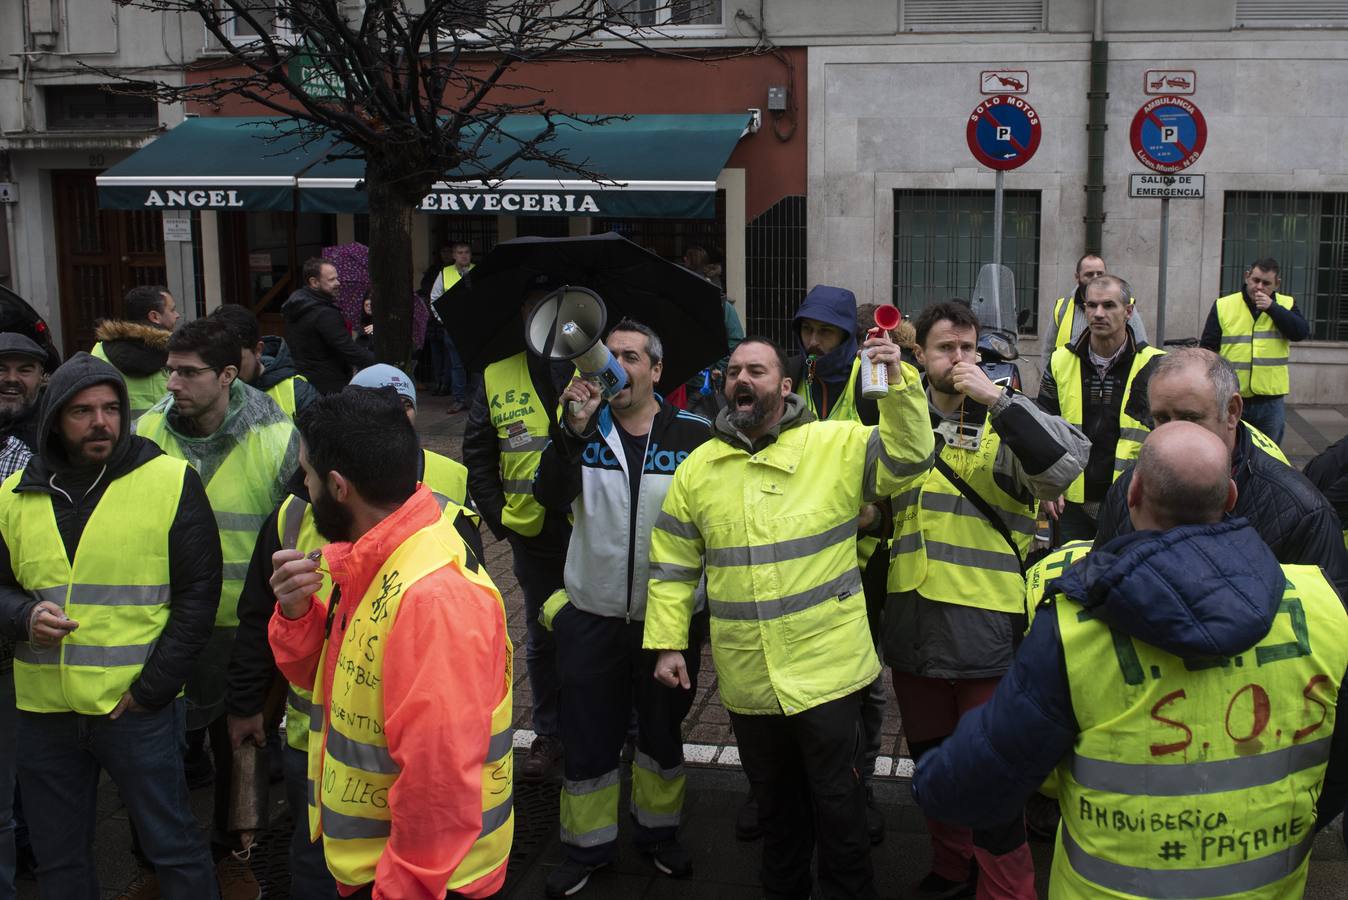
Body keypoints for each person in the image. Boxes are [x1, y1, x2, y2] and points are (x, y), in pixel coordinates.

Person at [912, 421, 1348, 899]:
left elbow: (989, 771)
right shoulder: (1321, 605)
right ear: (1230, 497)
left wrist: (929, 785)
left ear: (1133, 492)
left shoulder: (1074, 628)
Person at [644, 333, 935, 900]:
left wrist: (899, 385)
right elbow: (673, 564)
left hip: (828, 673)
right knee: (776, 813)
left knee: (839, 808)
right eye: (732, 371)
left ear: (784, 385)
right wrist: (668, 643)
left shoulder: (837, 444)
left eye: (756, 370)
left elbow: (909, 456)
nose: (741, 379)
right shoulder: (700, 467)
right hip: (750, 678)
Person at [228, 369, 482, 900]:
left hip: (402, 877)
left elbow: (438, 789)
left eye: (308, 475)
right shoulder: (367, 556)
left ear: (339, 486)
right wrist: (297, 615)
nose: (303, 487)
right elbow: (329, 680)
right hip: (358, 846)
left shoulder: (431, 595)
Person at [886, 300, 1089, 900]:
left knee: (991, 779)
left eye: (968, 348)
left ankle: (1007, 891)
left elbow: (1064, 471)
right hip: (912, 624)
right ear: (918, 353)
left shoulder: (1008, 417)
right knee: (932, 763)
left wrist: (1000, 401)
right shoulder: (899, 418)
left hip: (986, 628)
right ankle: (951, 868)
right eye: (946, 347)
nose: (959, 359)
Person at [0, 352, 221, 899]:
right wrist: (22, 615)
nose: (101, 422)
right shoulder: (12, 497)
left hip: (136, 708)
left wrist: (152, 692)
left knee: (173, 847)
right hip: (43, 711)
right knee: (60, 863)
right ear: (54, 419)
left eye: (110, 409)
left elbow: (199, 597)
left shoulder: (169, 481)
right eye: (82, 412)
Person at [531, 320, 711, 896]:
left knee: (662, 732)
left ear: (656, 371)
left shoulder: (694, 434)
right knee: (589, 736)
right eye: (610, 356)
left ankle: (659, 835)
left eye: (631, 356)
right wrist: (571, 431)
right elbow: (547, 497)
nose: (618, 367)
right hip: (594, 615)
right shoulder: (583, 428)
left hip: (669, 621)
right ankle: (587, 848)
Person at [134, 318, 298, 899]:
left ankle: (235, 854)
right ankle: (157, 863)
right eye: (169, 370)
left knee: (241, 749)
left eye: (188, 372)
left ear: (228, 376)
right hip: (160, 622)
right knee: (157, 751)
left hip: (239, 626)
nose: (172, 383)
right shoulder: (146, 430)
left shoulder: (279, 438)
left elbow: (291, 534)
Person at [1094, 347, 1348, 599]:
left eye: (1189, 418)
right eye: (1161, 419)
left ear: (1232, 412)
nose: (1173, 433)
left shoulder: (1302, 513)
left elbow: (1328, 618)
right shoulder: (1129, 487)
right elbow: (1099, 581)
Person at [463, 280, 574, 783]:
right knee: (543, 634)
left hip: (593, 530)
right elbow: (478, 453)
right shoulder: (496, 373)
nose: (546, 318)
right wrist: (498, 518)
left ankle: (615, 726)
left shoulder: (594, 367)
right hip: (532, 533)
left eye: (556, 309)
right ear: (526, 312)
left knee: (606, 631)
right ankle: (550, 732)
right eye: (536, 307)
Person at [1037, 274, 1163, 542]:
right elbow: (1044, 425)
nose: (1098, 313)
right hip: (1072, 504)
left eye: (1109, 305)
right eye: (1091, 306)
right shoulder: (1061, 361)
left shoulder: (1155, 365)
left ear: (1128, 311)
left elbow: (1170, 434)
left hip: (1133, 500)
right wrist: (1049, 485)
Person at [1200, 257, 1309, 444]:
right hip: (1232, 396)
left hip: (1270, 400)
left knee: (1269, 453)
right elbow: (1208, 349)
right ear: (1246, 277)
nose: (1259, 287)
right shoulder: (1224, 305)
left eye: (1266, 283)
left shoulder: (1286, 304)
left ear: (1277, 284)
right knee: (1227, 449)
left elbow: (1300, 332)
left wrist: (1273, 308)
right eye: (1255, 280)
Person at [1040, 253, 1147, 375]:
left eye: (1100, 273)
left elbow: (1140, 347)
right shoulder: (1062, 307)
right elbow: (1048, 351)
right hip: (1068, 382)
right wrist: (1049, 379)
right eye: (1089, 274)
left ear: (1128, 311)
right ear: (1077, 277)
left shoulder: (1125, 305)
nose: (1095, 278)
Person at [281, 258, 374, 395]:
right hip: (329, 385)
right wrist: (381, 360)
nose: (338, 283)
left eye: (337, 278)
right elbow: (348, 349)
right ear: (314, 282)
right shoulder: (324, 314)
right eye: (331, 280)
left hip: (304, 383)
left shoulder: (296, 306)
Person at [210, 303, 318, 419]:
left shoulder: (297, 392)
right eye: (215, 360)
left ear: (258, 351)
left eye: (234, 359)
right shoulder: (206, 390)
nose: (226, 372)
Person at [90, 285, 178, 418]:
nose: (177, 315)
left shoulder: (99, 351)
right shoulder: (178, 353)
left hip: (115, 433)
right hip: (164, 434)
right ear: (154, 316)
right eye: (172, 310)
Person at [428, 242, 475, 413]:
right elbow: (435, 298)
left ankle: (477, 399)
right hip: (453, 327)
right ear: (453, 255)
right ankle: (459, 399)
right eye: (460, 252)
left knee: (477, 364)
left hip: (475, 326)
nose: (464, 256)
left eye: (467, 252)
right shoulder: (445, 273)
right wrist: (444, 320)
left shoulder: (477, 271)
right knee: (457, 365)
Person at [0, 332, 48, 468]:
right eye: (1, 369)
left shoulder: (56, 430)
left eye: (24, 370)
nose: (12, 379)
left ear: (41, 377)